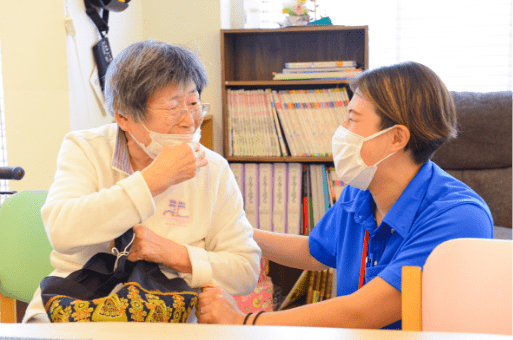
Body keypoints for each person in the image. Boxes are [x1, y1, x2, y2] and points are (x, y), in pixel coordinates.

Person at [196, 61, 493, 329]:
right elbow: (315, 251)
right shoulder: (362, 192)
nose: (341, 130)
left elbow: (363, 312)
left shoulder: (460, 218)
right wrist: (230, 230)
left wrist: (246, 321)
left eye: (352, 119)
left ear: (396, 138)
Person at [23, 40, 261, 323]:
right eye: (173, 108)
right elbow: (62, 230)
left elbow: (245, 271)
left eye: (194, 103)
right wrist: (151, 181)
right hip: (75, 307)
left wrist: (176, 255)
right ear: (124, 117)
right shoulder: (86, 148)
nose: (190, 121)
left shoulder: (214, 169)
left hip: (167, 315)